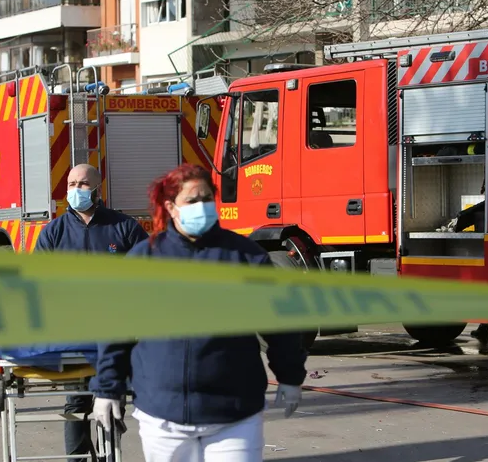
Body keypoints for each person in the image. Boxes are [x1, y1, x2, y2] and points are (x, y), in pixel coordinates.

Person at [90, 163, 307, 462]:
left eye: (207, 199)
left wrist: (290, 376)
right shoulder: (144, 259)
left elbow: (279, 324)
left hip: (234, 413)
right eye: (192, 201)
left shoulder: (245, 256)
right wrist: (106, 387)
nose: (201, 207)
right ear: (171, 207)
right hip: (162, 414)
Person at [35, 163, 149, 460]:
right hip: (74, 334)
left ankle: (108, 456)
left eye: (83, 184)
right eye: (71, 184)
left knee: (112, 400)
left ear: (99, 188)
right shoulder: (54, 233)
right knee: (77, 402)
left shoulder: (124, 228)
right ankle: (78, 458)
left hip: (118, 332)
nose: (76, 190)